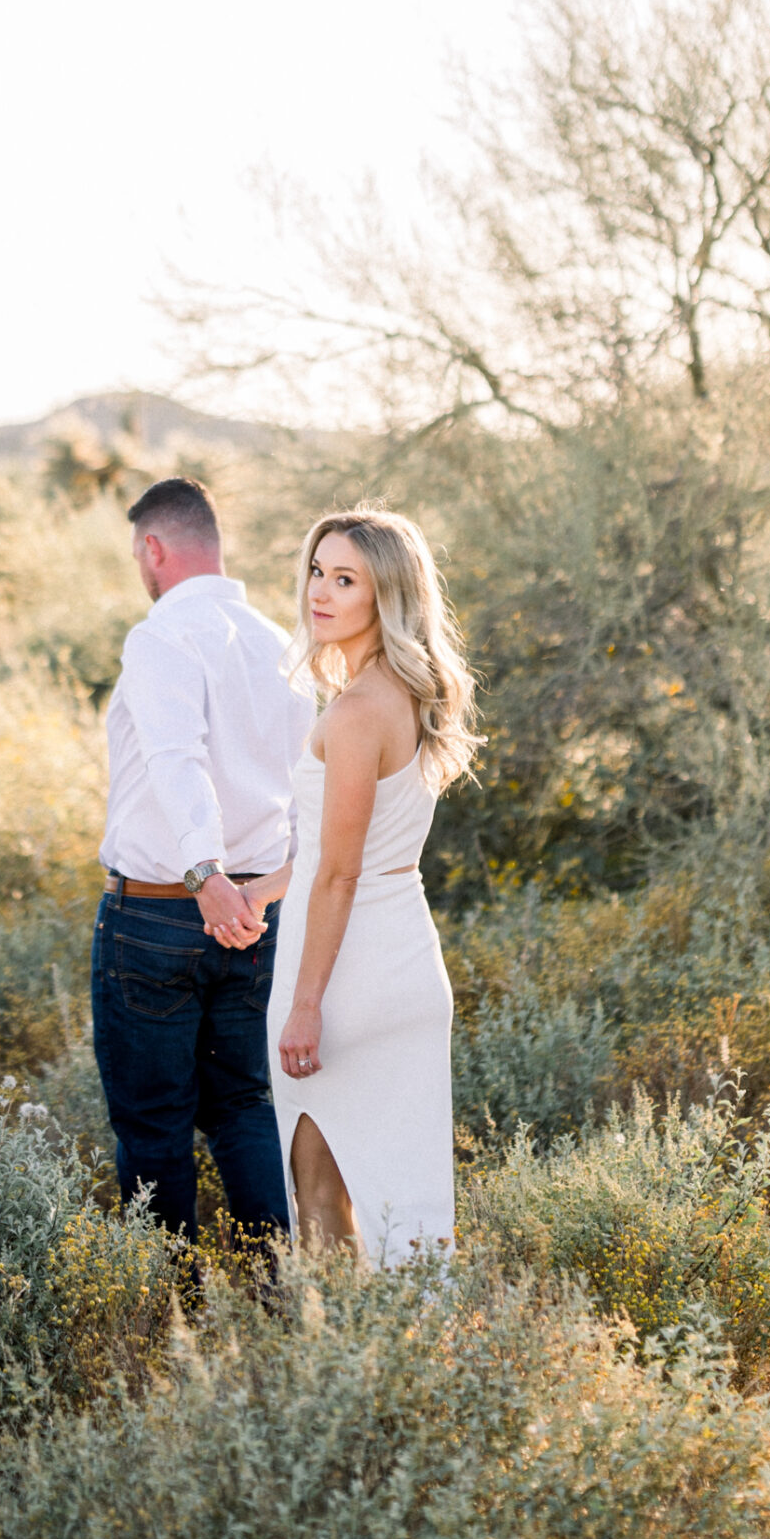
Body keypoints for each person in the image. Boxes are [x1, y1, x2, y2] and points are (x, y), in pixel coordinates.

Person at [92, 475, 314, 1245]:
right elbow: (299, 783)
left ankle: (171, 1311)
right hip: (256, 915)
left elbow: (174, 759)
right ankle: (271, 1294)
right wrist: (256, 888)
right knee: (243, 1106)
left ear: (154, 548)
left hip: (161, 912)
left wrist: (204, 875)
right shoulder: (278, 641)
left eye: (136, 553)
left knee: (154, 1128)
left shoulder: (161, 635)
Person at [263, 507, 478, 1261]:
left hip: (346, 974)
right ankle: (410, 1360)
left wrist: (305, 1006)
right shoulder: (412, 695)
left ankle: (344, 1365)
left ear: (384, 594)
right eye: (317, 571)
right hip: (405, 959)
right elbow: (355, 850)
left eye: (344, 579)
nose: (320, 592)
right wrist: (257, 896)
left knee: (320, 1190)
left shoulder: (357, 712)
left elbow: (341, 872)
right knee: (405, 1198)